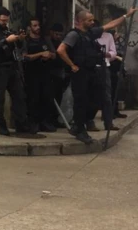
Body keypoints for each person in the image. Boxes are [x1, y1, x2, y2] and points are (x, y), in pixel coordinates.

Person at [56, 8, 137, 144]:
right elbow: (60, 50)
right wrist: (72, 65)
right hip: (80, 73)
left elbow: (110, 25)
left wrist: (126, 15)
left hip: (91, 72)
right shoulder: (74, 35)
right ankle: (80, 129)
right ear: (81, 21)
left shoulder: (91, 33)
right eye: (90, 20)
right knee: (81, 102)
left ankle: (79, 125)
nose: (93, 22)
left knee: (94, 99)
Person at [0, 6, 36, 136]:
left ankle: (21, 124)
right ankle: (0, 125)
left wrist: (20, 40)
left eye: (6, 20)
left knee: (19, 96)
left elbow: (17, 48)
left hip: (11, 67)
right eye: (2, 20)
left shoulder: (7, 31)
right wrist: (5, 41)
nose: (5, 23)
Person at [22, 18, 57, 132]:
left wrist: (49, 55)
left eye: (38, 25)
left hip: (46, 73)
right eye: (35, 25)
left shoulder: (45, 39)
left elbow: (54, 54)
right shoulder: (26, 41)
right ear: (29, 27)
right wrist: (40, 54)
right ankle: (33, 123)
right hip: (31, 74)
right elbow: (25, 57)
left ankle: (45, 122)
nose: (37, 27)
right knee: (33, 99)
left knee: (46, 97)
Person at [92, 20, 120, 132]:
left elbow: (114, 53)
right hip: (91, 67)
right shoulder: (88, 36)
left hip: (104, 67)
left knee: (107, 97)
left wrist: (106, 54)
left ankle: (108, 123)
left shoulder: (108, 36)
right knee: (91, 97)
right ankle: (89, 121)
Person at [47, 23, 69, 128]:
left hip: (60, 74)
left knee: (58, 97)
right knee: (50, 99)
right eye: (56, 34)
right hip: (50, 74)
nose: (58, 36)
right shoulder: (48, 42)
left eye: (60, 34)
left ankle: (54, 120)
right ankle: (49, 120)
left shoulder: (60, 42)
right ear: (51, 32)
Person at [110, 30, 127, 119]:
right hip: (110, 69)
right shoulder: (109, 43)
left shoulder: (118, 42)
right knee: (111, 92)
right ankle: (109, 113)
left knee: (116, 91)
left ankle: (116, 111)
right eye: (115, 34)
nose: (117, 35)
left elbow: (122, 51)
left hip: (117, 69)